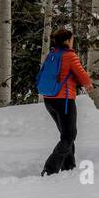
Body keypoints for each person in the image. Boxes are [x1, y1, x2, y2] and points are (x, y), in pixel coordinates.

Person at [38, 27, 92, 176]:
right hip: (64, 100)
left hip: (49, 100)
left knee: (65, 134)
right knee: (69, 136)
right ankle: (50, 169)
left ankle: (69, 166)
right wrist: (88, 84)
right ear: (68, 40)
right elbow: (83, 76)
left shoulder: (52, 54)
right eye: (72, 39)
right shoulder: (69, 56)